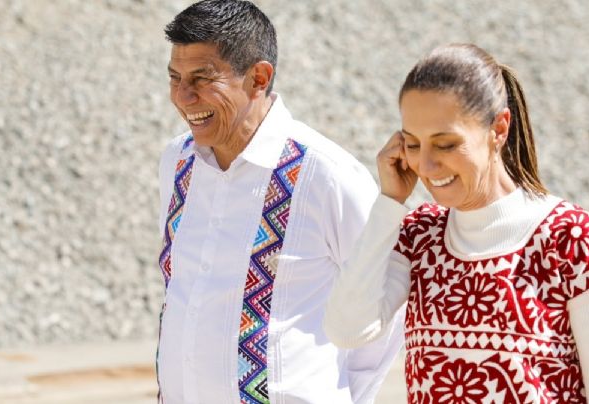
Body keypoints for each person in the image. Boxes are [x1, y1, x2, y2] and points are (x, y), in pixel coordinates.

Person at [324, 43, 589, 403]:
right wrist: (389, 202)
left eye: (445, 145)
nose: (425, 167)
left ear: (499, 129)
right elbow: (347, 329)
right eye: (413, 144)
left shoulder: (572, 238)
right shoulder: (419, 236)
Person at [155, 1, 403, 403]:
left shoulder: (327, 174)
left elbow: (383, 313)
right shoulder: (177, 162)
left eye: (202, 79)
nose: (183, 97)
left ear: (258, 77)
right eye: (175, 78)